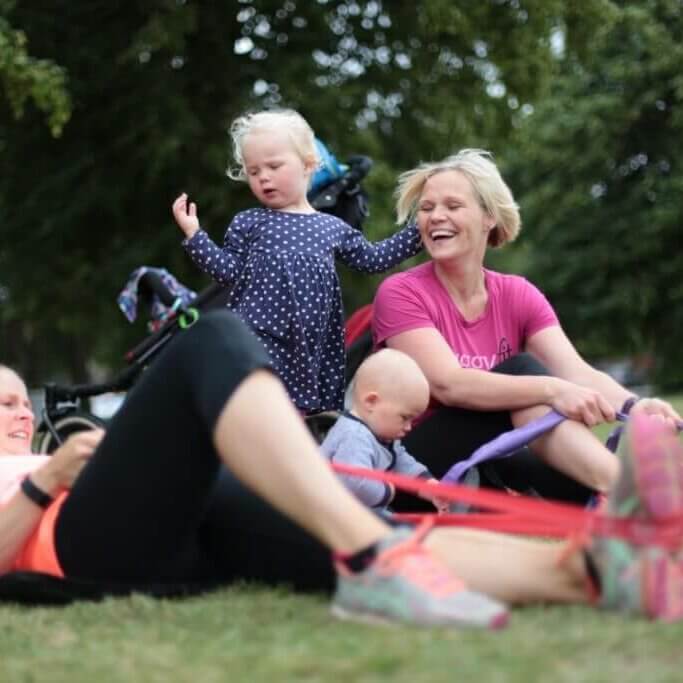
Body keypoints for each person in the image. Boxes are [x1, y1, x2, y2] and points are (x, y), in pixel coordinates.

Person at [1, 312, 682, 625]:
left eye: (18, 397)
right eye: (1, 403)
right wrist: (41, 479)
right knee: (209, 339)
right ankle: (369, 560)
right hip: (76, 544)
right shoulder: (32, 471)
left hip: (175, 522)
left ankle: (598, 570)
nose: (20, 411)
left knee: (351, 521)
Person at [372, 149, 682, 508]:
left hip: (487, 458)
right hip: (409, 470)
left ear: (489, 217)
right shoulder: (399, 292)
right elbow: (450, 385)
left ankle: (628, 504)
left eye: (453, 206)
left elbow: (577, 371)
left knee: (567, 469)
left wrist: (636, 406)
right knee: (524, 376)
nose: (436, 217)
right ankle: (639, 497)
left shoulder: (518, 294)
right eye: (426, 209)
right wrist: (551, 389)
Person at [171, 109, 421, 414]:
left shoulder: (331, 227)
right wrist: (195, 235)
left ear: (308, 164)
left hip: (311, 346)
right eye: (253, 171)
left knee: (303, 417)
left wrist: (417, 231)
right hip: (258, 335)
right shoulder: (248, 223)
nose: (263, 177)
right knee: (258, 406)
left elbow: (372, 259)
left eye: (274, 166)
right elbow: (228, 273)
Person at [320, 348, 448, 512]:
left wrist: (428, 486)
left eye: (412, 420)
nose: (409, 427)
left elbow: (402, 463)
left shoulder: (381, 435)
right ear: (371, 402)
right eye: (404, 417)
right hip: (333, 517)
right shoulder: (354, 436)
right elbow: (355, 482)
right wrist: (389, 491)